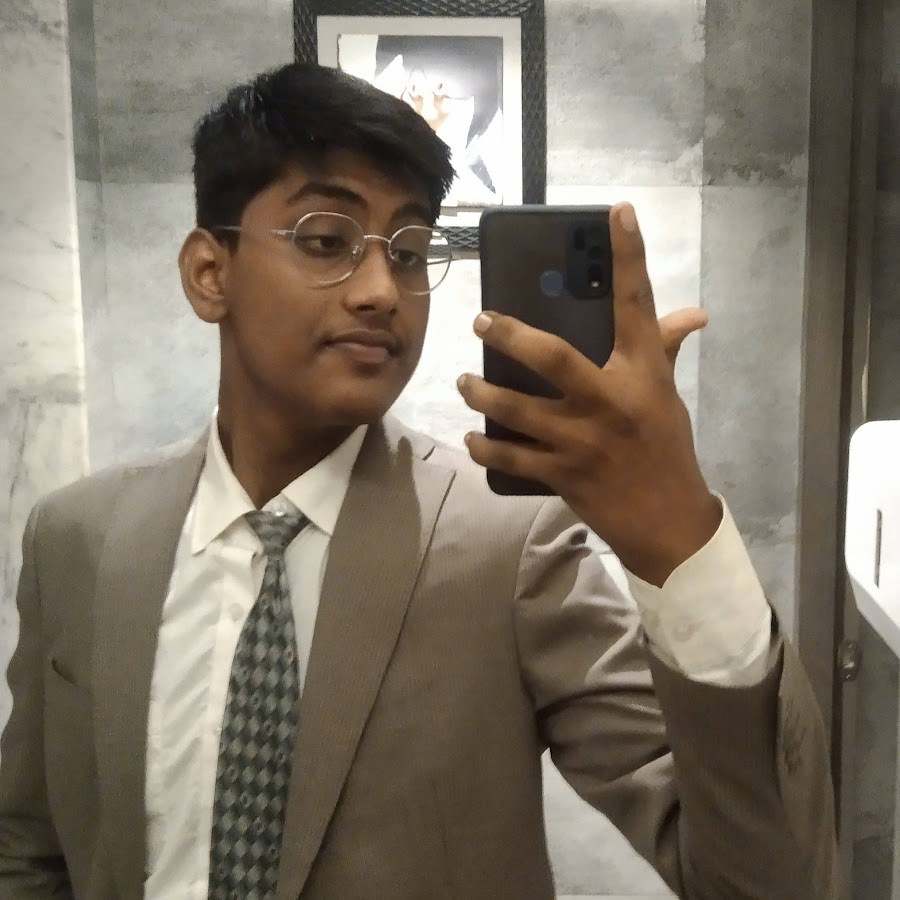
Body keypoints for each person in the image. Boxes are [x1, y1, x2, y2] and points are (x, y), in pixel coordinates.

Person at [0, 62, 837, 900]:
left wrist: (682, 543)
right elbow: (29, 848)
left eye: (408, 251)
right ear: (209, 273)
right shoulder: (79, 537)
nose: (381, 291)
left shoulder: (510, 547)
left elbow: (762, 882)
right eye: (325, 240)